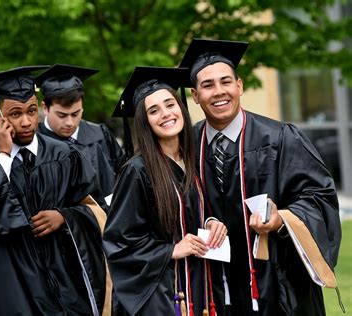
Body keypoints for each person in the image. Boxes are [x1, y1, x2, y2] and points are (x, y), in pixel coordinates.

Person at [179, 38, 342, 315]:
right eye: (208, 85)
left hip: (279, 283)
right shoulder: (188, 145)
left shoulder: (281, 138)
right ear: (195, 95)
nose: (219, 92)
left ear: (239, 86)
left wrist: (282, 220)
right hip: (219, 286)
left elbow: (319, 197)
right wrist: (205, 219)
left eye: (226, 82)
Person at [0, 66, 112, 315]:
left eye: (31, 111)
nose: (26, 121)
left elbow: (97, 208)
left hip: (62, 281)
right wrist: (2, 157)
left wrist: (64, 216)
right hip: (8, 283)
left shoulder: (64, 154)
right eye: (15, 114)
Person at [103, 66, 227, 315]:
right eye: (153, 110)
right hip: (160, 295)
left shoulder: (195, 159)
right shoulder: (137, 171)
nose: (165, 114)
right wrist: (170, 249)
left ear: (181, 108)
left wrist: (213, 222)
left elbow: (198, 209)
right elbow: (119, 241)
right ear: (145, 121)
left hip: (198, 284)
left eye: (170, 104)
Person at [35, 64, 124, 202]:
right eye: (62, 115)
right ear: (45, 108)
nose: (70, 122)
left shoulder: (99, 134)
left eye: (76, 113)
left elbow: (122, 175)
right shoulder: (34, 141)